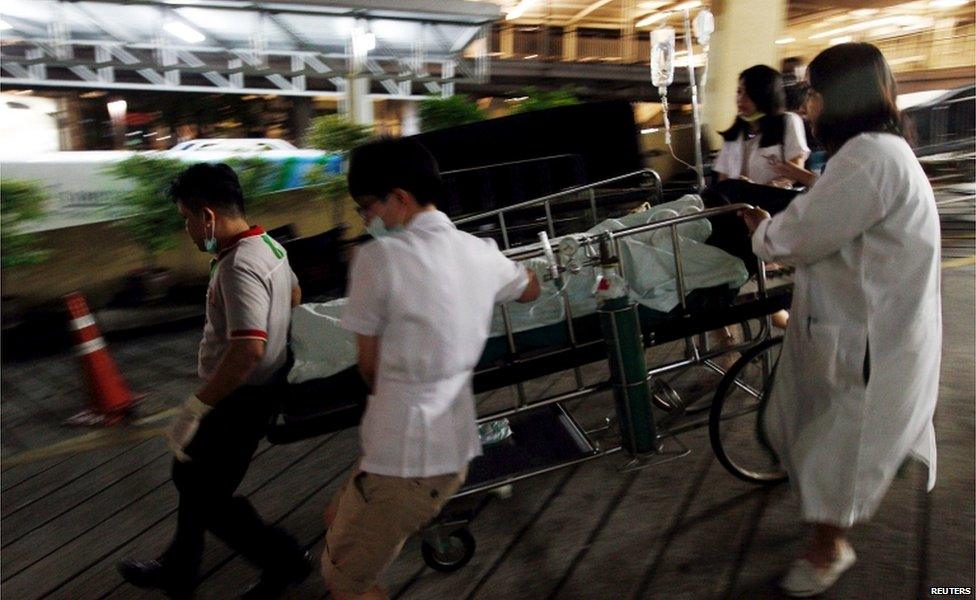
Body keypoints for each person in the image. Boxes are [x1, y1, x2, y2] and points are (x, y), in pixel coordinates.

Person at [740, 43, 941, 597]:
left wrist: (761, 229)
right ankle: (826, 525)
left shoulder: (869, 157)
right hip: (864, 328)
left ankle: (827, 549)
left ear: (836, 98)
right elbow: (838, 208)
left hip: (869, 342)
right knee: (822, 436)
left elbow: (801, 235)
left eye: (813, 93)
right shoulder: (879, 152)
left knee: (840, 451)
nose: (808, 106)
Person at [321, 138, 541, 600]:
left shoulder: (376, 260)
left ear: (398, 198)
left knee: (343, 580)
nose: (366, 220)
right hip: (449, 450)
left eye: (366, 208)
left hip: (405, 457)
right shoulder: (478, 251)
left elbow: (370, 369)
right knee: (334, 519)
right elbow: (530, 288)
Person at [118, 163, 310, 599]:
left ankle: (284, 560)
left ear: (207, 216)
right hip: (258, 390)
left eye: (186, 218)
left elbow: (247, 349)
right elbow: (295, 294)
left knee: (204, 491)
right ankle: (179, 568)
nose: (187, 228)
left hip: (238, 398)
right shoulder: (269, 247)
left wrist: (198, 405)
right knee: (196, 480)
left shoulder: (238, 266)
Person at [713, 64, 810, 187]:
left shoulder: (787, 122)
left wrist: (760, 189)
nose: (740, 99)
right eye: (739, 91)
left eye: (749, 93)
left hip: (773, 202)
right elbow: (723, 181)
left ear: (766, 94)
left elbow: (795, 171)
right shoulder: (734, 133)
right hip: (739, 204)